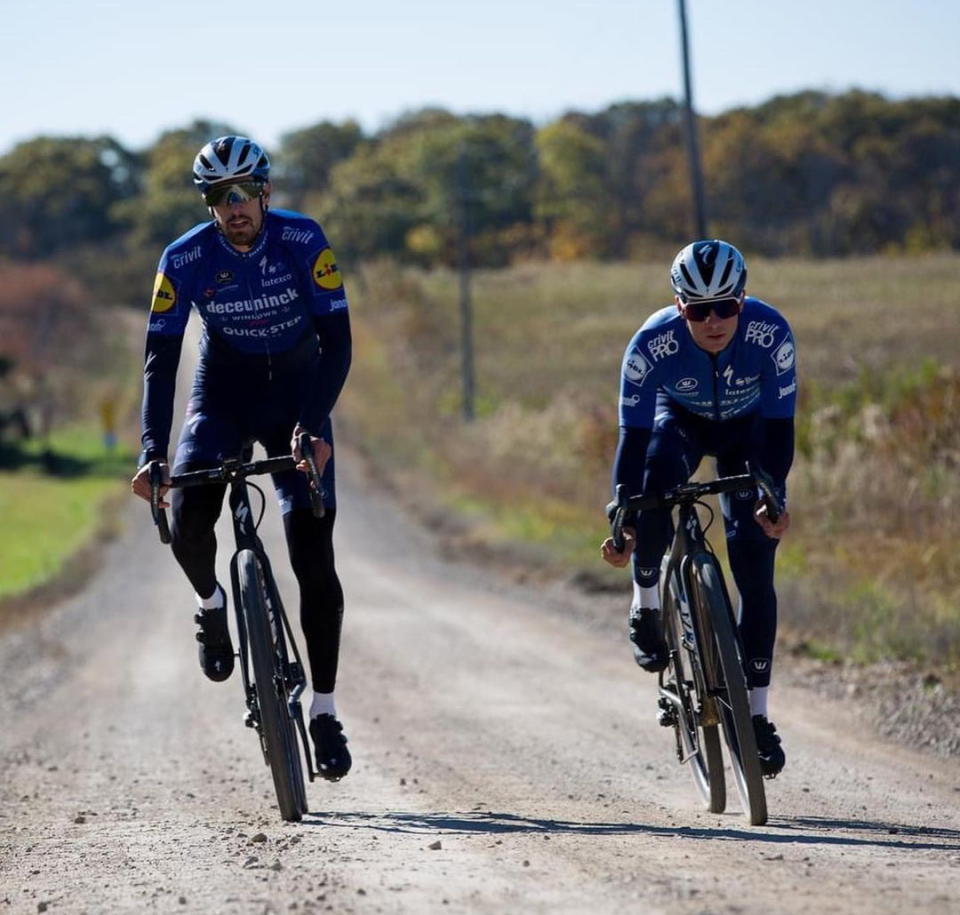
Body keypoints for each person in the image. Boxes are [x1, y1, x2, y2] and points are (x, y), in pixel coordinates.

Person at [130, 136, 353, 781]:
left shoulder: (305, 241)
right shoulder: (184, 258)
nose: (234, 208)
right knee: (190, 515)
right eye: (218, 198)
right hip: (222, 389)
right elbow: (159, 361)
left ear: (265, 193)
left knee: (313, 549)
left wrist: (312, 425)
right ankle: (211, 604)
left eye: (244, 194)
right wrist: (152, 451)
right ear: (207, 205)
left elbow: (338, 344)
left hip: (296, 391)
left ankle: (325, 710)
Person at [600, 239, 795, 777]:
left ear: (743, 299)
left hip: (746, 433)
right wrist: (624, 517)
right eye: (698, 310)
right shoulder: (650, 345)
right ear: (679, 306)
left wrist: (773, 496)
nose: (713, 321)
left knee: (755, 563)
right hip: (678, 425)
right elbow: (631, 443)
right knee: (652, 489)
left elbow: (780, 433)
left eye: (726, 307)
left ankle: (755, 716)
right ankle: (645, 602)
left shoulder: (770, 333)